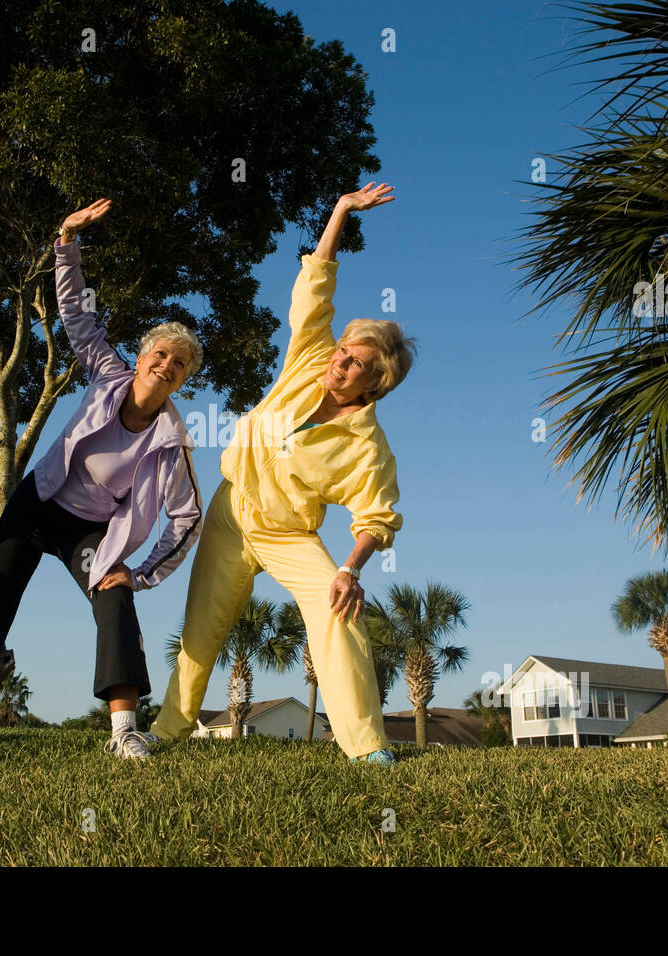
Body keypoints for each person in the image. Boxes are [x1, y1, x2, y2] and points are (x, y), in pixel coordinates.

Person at [150, 182, 414, 764]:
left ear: (376, 384)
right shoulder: (308, 362)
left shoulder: (367, 445)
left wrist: (350, 567)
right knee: (202, 628)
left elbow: (378, 514)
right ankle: (166, 733)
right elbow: (314, 288)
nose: (339, 364)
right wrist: (341, 210)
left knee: (337, 609)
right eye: (342, 352)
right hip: (230, 510)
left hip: (286, 534)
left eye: (356, 365)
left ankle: (368, 747)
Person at [0, 198, 203, 759]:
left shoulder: (172, 445)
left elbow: (187, 519)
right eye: (160, 354)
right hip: (35, 505)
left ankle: (124, 732)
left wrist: (140, 573)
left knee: (113, 597)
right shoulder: (108, 374)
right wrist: (66, 239)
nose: (166, 365)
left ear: (183, 381)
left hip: (87, 531)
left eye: (179, 364)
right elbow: (76, 316)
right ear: (140, 358)